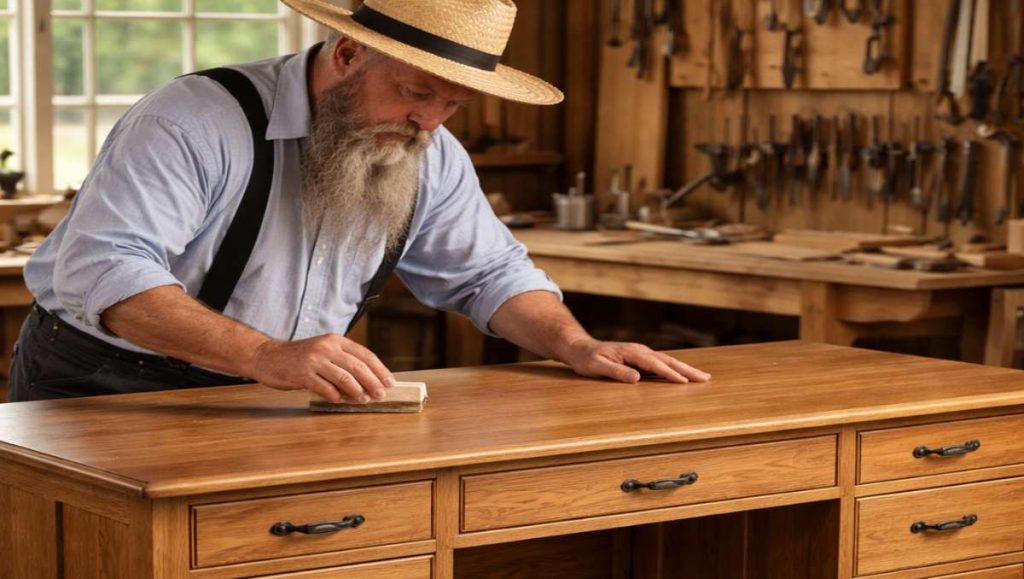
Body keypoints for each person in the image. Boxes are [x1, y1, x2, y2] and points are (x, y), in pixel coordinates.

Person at [7, 0, 709, 404]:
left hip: (265, 395)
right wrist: (268, 354)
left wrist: (576, 344)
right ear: (346, 55)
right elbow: (107, 272)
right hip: (103, 384)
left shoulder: (427, 150)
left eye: (452, 105)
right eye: (415, 92)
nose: (429, 122)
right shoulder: (192, 121)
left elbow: (489, 273)